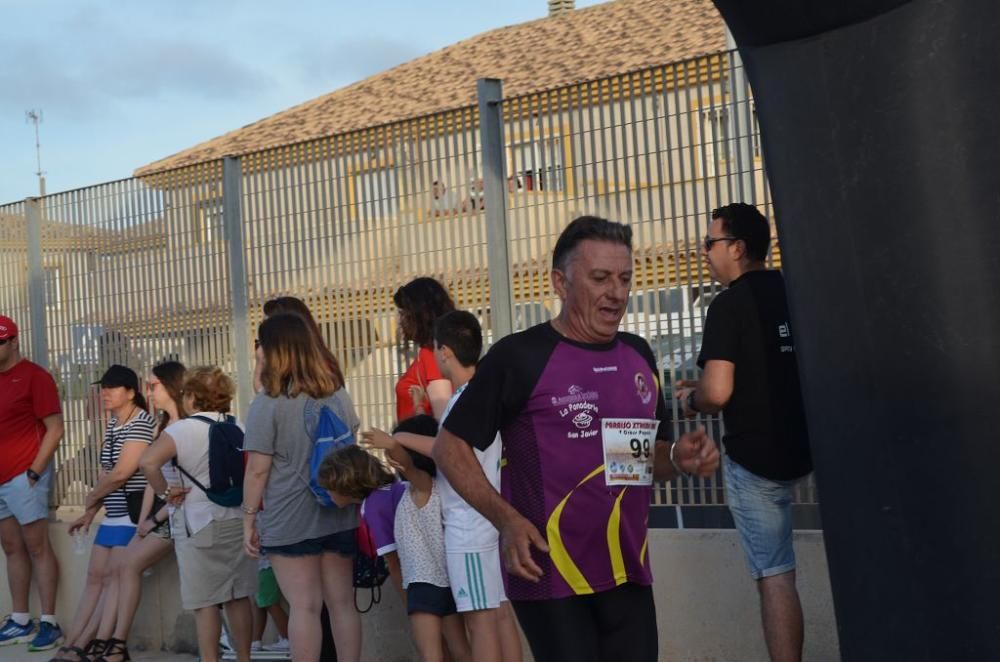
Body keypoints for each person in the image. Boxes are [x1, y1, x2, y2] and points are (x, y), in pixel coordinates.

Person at [432, 216, 720, 662]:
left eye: (625, 279)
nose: (617, 293)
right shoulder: (519, 357)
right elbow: (448, 447)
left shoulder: (638, 355)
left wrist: (678, 458)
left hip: (627, 569)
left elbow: (631, 459)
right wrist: (506, 520)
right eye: (601, 278)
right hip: (551, 575)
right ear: (560, 283)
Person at [676, 203, 812, 662]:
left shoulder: (729, 304)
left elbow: (717, 392)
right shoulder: (792, 291)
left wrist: (692, 399)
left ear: (736, 248)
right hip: (811, 448)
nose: (704, 252)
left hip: (757, 460)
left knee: (775, 575)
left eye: (710, 243)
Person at [364, 311, 522, 662]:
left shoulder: (464, 400)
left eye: (435, 348)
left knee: (481, 621)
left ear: (445, 352)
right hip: (487, 521)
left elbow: (445, 450)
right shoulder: (481, 395)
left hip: (470, 526)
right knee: (498, 614)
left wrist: (399, 437)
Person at [242, 313, 362, 662]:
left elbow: (258, 471)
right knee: (342, 604)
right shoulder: (338, 394)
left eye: (262, 343)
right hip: (339, 511)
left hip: (289, 517)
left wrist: (249, 519)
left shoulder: (267, 404)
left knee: (305, 607)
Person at [325, 425, 471, 662]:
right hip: (449, 576)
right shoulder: (401, 489)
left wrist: (407, 600)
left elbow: (392, 562)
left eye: (329, 488)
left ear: (345, 483)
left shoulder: (379, 503)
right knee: (459, 649)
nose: (327, 494)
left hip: (421, 583)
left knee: (431, 653)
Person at [139, 366, 255, 662]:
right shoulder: (238, 426)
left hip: (198, 524)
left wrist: (166, 493)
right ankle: (244, 657)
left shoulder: (180, 430)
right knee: (238, 596)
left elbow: (148, 463)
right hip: (237, 519)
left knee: (206, 604)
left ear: (191, 397)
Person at [79, 361, 187, 662]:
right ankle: (100, 644)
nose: (149, 392)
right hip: (151, 515)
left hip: (179, 516)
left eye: (154, 386)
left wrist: (151, 518)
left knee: (123, 569)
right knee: (108, 573)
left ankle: (109, 644)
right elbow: (151, 476)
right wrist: (144, 521)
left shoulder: (160, 424)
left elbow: (127, 474)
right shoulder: (159, 424)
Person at [58, 365, 157, 661]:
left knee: (114, 578)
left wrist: (91, 495)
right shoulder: (114, 424)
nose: (106, 393)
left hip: (131, 512)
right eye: (104, 387)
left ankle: (90, 643)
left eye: (113, 388)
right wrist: (90, 511)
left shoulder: (141, 422)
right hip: (112, 512)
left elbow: (122, 473)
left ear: (131, 392)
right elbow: (107, 474)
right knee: (95, 577)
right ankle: (73, 641)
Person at [0, 315, 65, 652]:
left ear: (13, 342)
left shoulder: (35, 377)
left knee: (37, 546)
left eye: (0, 342)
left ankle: (50, 621)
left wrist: (35, 472)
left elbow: (55, 428)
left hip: (25, 476)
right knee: (11, 547)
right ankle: (21, 619)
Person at [393, 278, 455, 421]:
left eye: (403, 314)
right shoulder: (437, 352)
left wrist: (394, 443)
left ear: (420, 315)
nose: (400, 321)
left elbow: (443, 423)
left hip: (420, 441)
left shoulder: (432, 355)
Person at [250, 553, 291, 653]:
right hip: (261, 565)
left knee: (270, 603)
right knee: (259, 603)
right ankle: (255, 641)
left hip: (265, 565)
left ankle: (288, 638)